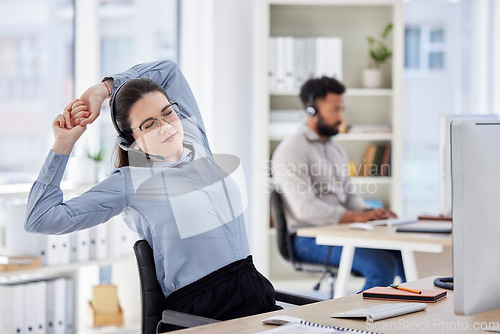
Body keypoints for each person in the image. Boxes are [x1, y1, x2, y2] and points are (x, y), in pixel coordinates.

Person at [25, 60, 279, 329]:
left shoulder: (194, 137)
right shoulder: (131, 182)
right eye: (148, 125)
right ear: (129, 141)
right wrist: (63, 145)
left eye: (167, 113)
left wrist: (103, 89)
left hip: (254, 289)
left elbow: (168, 70)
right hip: (202, 313)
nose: (166, 127)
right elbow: (40, 217)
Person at [271, 76, 406, 291]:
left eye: (341, 110)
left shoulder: (335, 150)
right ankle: (360, 323)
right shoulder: (292, 151)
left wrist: (369, 212)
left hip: (340, 231)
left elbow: (350, 196)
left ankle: (413, 314)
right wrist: (355, 217)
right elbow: (305, 209)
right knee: (381, 266)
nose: (340, 118)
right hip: (307, 238)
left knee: (404, 255)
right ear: (312, 110)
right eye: (334, 110)